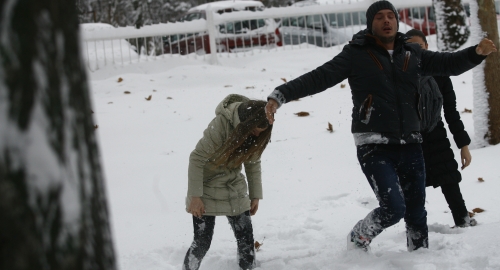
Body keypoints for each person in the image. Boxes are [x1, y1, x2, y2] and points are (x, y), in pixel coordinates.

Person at [264, 0, 496, 252]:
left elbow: (447, 64)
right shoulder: (355, 54)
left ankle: (419, 257)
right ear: (370, 23)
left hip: (411, 142)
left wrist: (476, 53)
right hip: (374, 144)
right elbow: (321, 77)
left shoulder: (412, 53)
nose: (386, 21)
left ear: (397, 22)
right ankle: (359, 236)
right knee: (394, 207)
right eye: (379, 17)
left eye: (390, 16)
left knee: (417, 211)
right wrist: (281, 95)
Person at [183, 94, 272, 270]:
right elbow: (196, 158)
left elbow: (253, 162)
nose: (256, 134)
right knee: (202, 241)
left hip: (233, 186)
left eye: (261, 132)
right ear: (246, 123)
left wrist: (255, 196)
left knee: (246, 238)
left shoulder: (254, 134)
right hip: (206, 186)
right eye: (254, 130)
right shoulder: (220, 126)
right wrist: (195, 196)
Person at [406, 29, 477, 228]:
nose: (414, 50)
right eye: (409, 47)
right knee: (412, 189)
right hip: (409, 140)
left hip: (436, 136)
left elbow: (451, 112)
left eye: (418, 46)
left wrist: (463, 144)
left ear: (426, 48)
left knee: (450, 182)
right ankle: (415, 229)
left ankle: (463, 222)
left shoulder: (439, 73)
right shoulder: (400, 76)